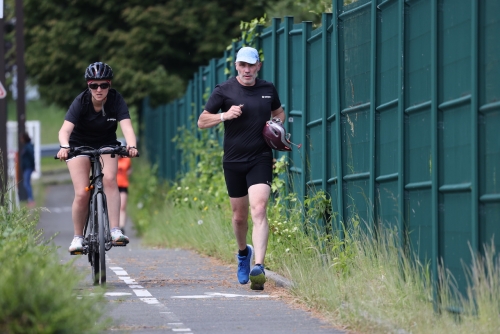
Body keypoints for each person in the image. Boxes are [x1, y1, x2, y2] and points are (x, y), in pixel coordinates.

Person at [197, 47, 285, 291]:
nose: (247, 70)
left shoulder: (268, 89)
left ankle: (259, 267)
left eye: (251, 65)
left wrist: (275, 128)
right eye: (243, 65)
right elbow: (202, 121)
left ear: (258, 66)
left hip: (260, 157)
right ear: (236, 66)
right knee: (239, 217)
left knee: (259, 209)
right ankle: (243, 253)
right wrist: (225, 115)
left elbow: (279, 113)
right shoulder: (224, 90)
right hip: (234, 160)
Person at [56, 62, 139, 253]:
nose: (99, 89)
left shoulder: (116, 100)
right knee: (82, 192)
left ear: (110, 84)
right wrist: (64, 147)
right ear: (88, 86)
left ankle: (115, 230)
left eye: (104, 85)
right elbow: (65, 130)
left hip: (106, 144)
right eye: (94, 85)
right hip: (79, 145)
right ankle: (78, 237)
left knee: (110, 179)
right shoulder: (81, 101)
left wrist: (131, 146)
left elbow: (127, 127)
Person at [117, 155, 132, 235]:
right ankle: (114, 226)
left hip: (123, 185)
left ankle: (121, 226)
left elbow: (129, 171)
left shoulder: (126, 160)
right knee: (114, 207)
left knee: (122, 207)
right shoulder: (111, 160)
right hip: (113, 186)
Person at [20, 132, 35, 208]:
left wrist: (33, 166)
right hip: (27, 168)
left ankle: (31, 200)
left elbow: (31, 157)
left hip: (28, 167)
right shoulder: (26, 146)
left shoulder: (28, 147)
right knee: (27, 183)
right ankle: (30, 199)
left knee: (26, 184)